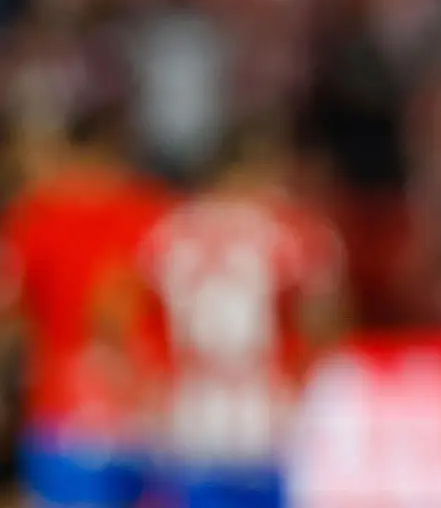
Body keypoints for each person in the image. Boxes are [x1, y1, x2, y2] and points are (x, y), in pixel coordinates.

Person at [140, 121, 346, 508]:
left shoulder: (166, 230)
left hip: (189, 423)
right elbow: (327, 330)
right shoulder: (297, 231)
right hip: (270, 424)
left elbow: (128, 319)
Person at [0, 96, 172, 507]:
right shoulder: (158, 212)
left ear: (73, 150)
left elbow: (9, 321)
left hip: (63, 412)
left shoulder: (34, 216)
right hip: (150, 414)